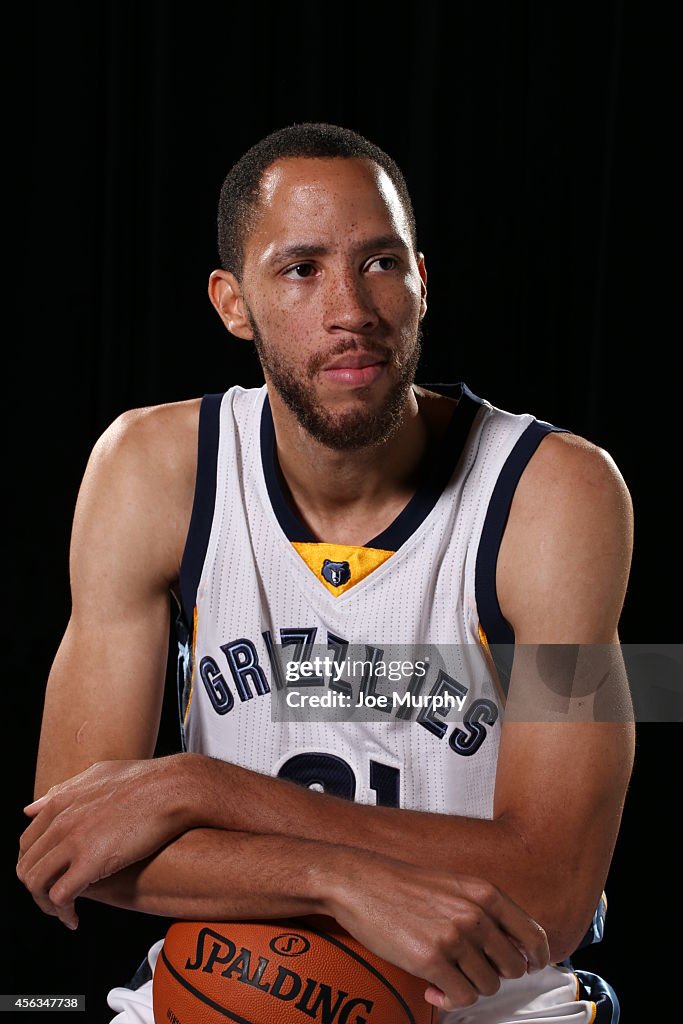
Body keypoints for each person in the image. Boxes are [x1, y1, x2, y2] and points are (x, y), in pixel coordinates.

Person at [16, 123, 634, 1023]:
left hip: (489, 1002)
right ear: (233, 302)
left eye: (381, 263)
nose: (351, 308)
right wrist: (335, 879)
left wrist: (201, 788)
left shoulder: (560, 494)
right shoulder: (150, 468)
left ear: (423, 281)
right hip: (228, 978)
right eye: (300, 268)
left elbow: (556, 885)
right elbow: (68, 846)